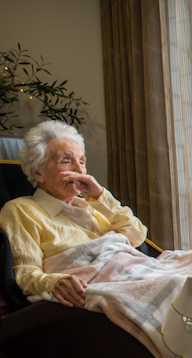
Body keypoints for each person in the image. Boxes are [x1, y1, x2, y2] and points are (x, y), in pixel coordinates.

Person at [0, 120, 149, 307]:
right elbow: (26, 274)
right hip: (101, 292)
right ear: (38, 172)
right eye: (66, 161)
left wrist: (101, 196)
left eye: (82, 162)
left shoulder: (95, 205)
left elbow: (137, 236)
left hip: (139, 275)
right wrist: (54, 283)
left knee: (186, 275)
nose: (80, 171)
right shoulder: (21, 210)